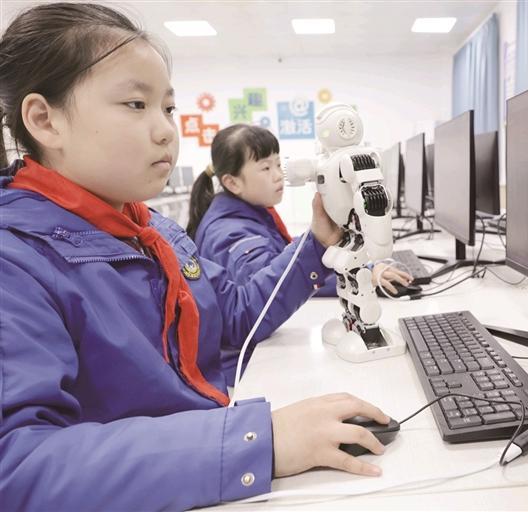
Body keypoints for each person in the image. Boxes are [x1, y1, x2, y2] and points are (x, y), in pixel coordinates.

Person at [0, 4, 391, 510]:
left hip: (206, 458)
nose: (167, 130)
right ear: (44, 120)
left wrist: (317, 241)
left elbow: (234, 316)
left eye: (167, 108)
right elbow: (18, 465)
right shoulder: (16, 262)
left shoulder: (151, 231)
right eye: (136, 104)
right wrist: (257, 440)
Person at [186, 123, 412, 298]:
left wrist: (347, 258)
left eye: (278, 164)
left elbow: (280, 252)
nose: (278, 175)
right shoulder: (230, 233)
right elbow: (270, 287)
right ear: (232, 182)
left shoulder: (249, 213)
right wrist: (360, 277)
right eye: (265, 168)